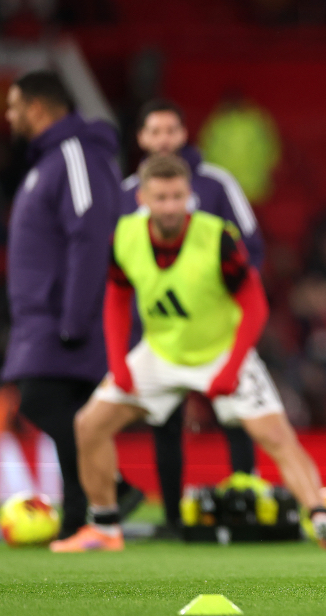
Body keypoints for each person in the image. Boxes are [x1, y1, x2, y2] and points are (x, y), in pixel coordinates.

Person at [49, 154, 326, 552]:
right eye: (162, 197)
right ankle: (105, 527)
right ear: (142, 199)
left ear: (190, 196)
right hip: (160, 351)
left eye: (178, 196)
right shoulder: (125, 235)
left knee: (275, 434)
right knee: (89, 425)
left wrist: (233, 366)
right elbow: (117, 295)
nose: (171, 205)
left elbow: (254, 305)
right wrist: (118, 362)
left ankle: (320, 516)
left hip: (220, 349)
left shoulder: (218, 237)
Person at [2, 71, 141, 539]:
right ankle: (81, 518)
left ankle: (111, 491)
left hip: (65, 315)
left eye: (14, 105)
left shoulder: (75, 154)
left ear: (38, 108)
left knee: (44, 401)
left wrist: (76, 315)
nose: (9, 115)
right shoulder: (50, 160)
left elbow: (89, 235)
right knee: (65, 407)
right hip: (44, 314)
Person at [121, 99, 261, 537]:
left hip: (216, 326)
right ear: (141, 139)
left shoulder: (216, 183)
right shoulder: (127, 193)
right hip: (159, 329)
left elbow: (251, 246)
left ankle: (246, 508)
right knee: (163, 420)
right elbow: (116, 265)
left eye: (171, 131)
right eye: (154, 132)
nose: (163, 139)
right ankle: (170, 518)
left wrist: (229, 300)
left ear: (184, 134)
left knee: (234, 415)